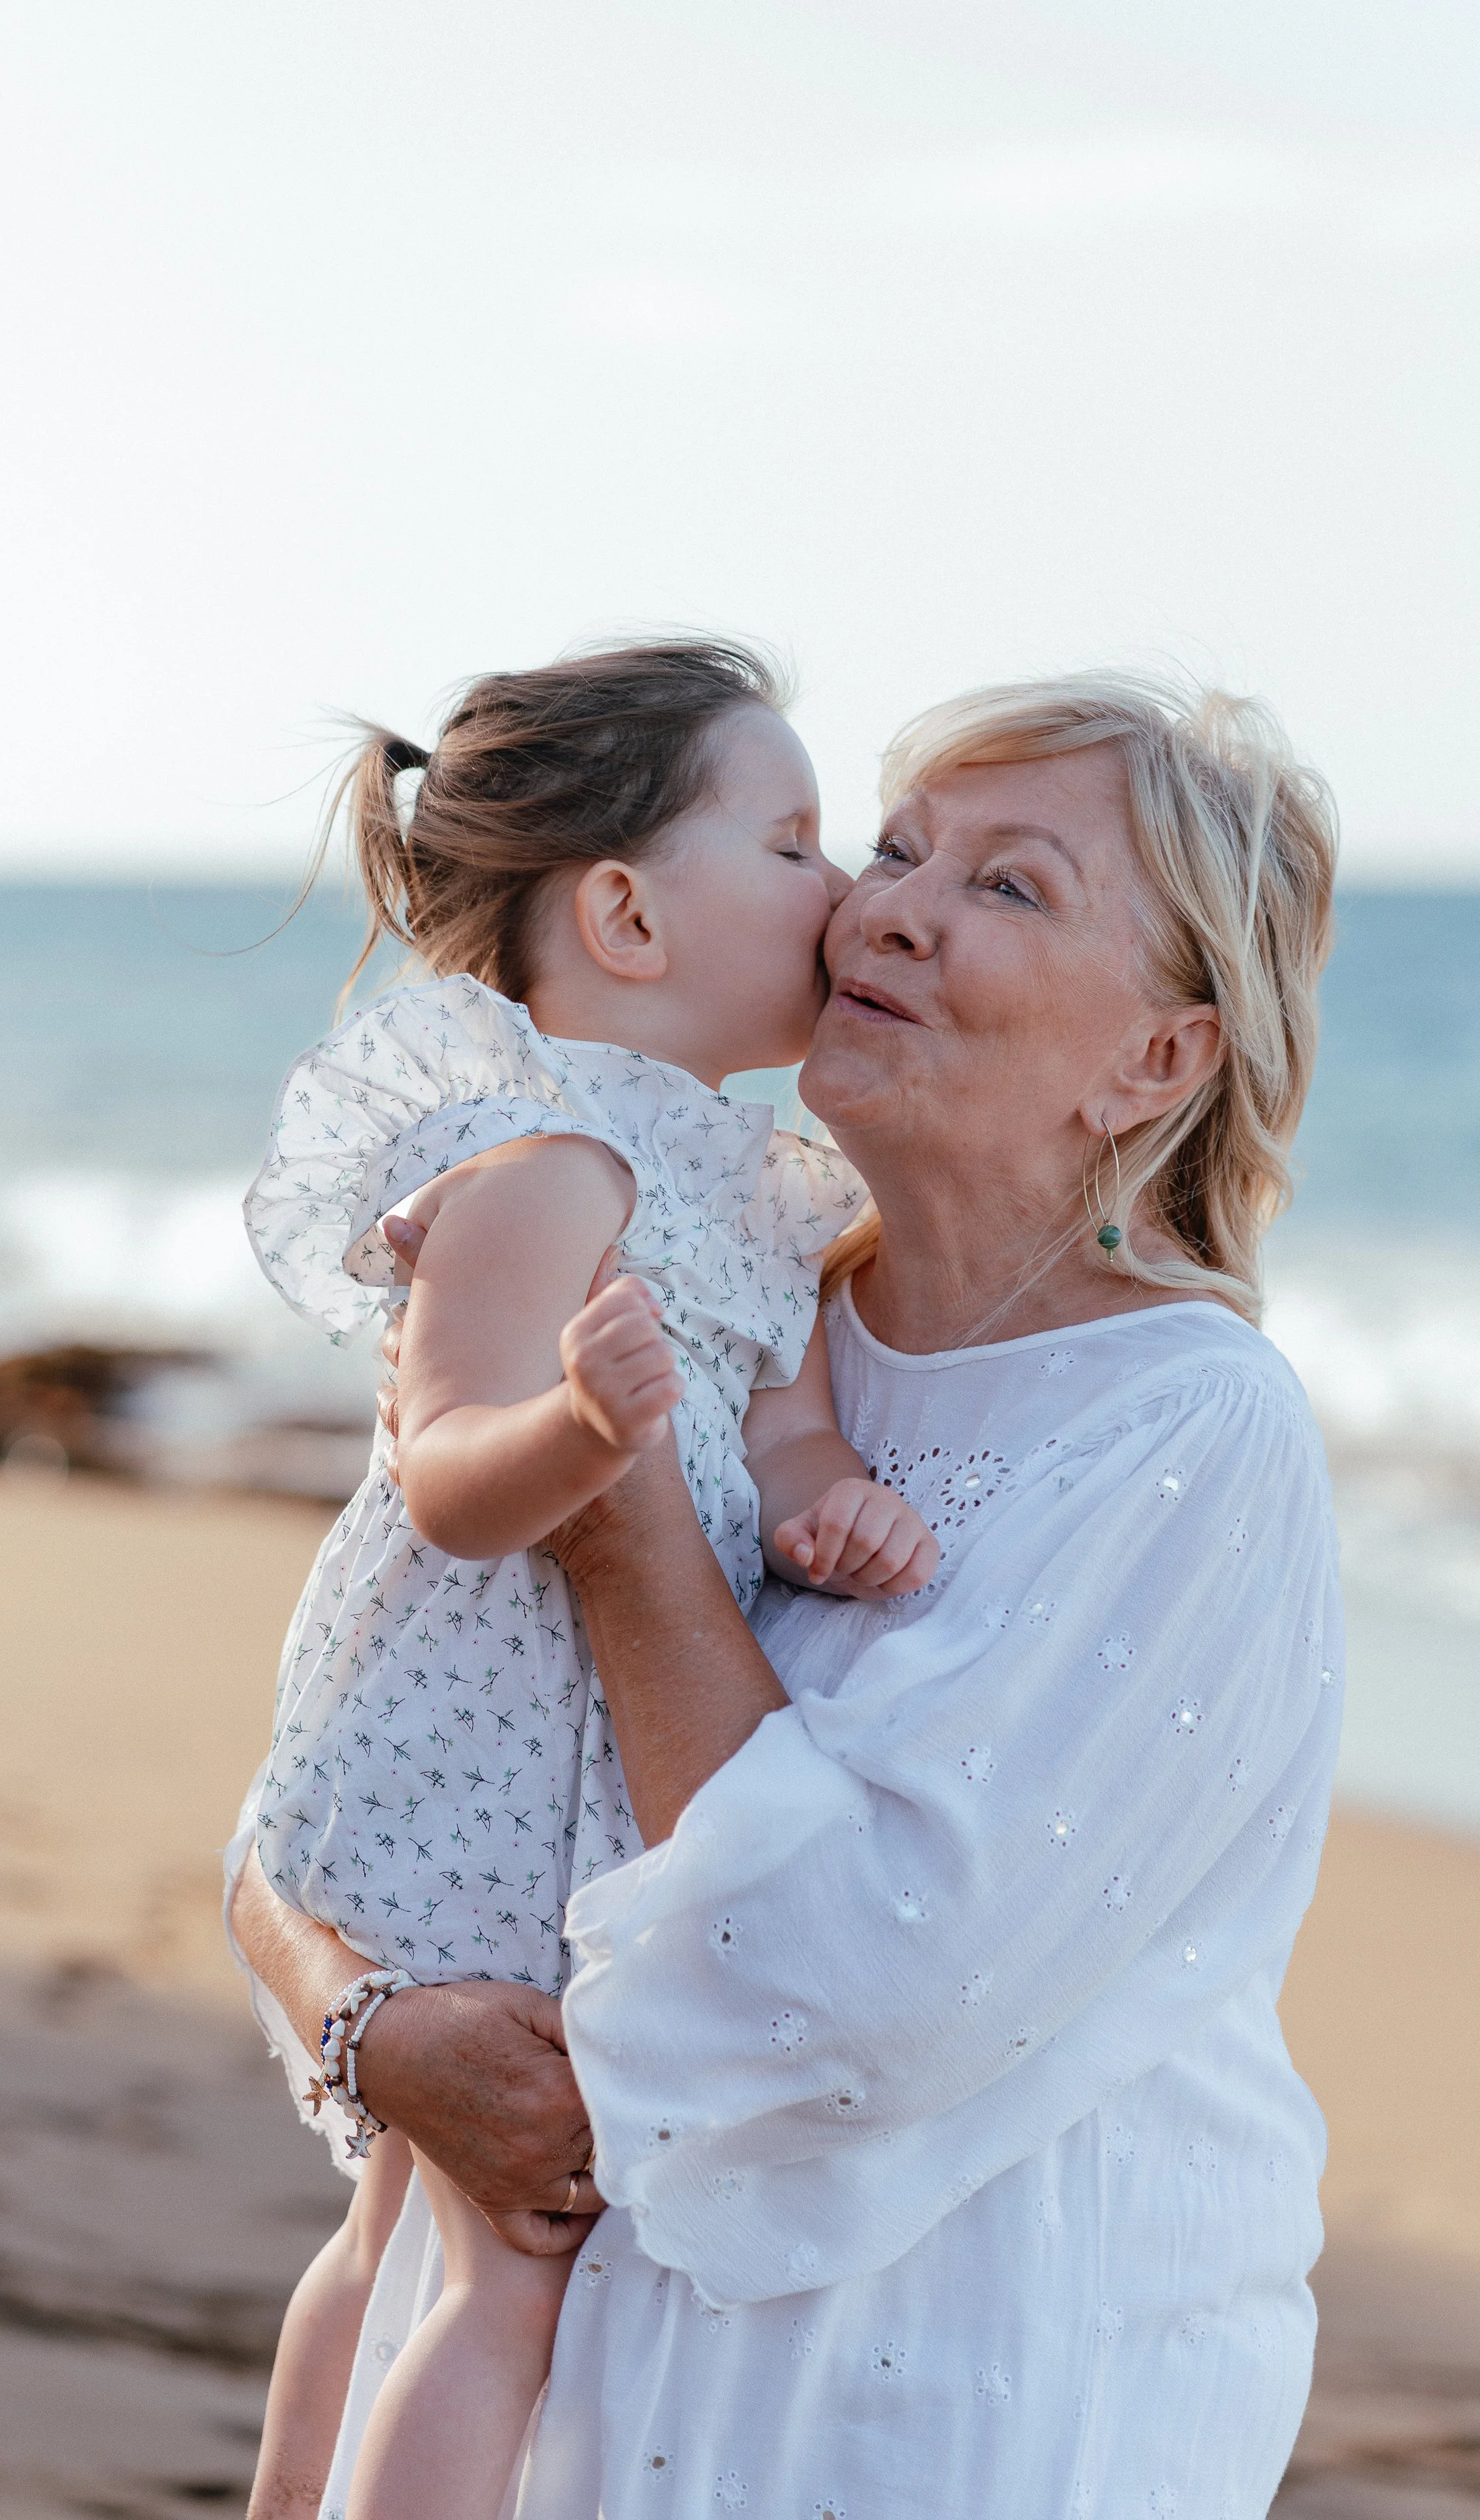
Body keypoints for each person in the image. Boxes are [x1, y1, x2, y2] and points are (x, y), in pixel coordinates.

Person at [232, 668, 1342, 2519]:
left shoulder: (1185, 1435)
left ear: (1156, 1060)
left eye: (1009, 886)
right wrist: (372, 2027)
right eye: (890, 848)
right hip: (537, 2412)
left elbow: (840, 1991)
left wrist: (618, 1505)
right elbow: (334, 1781)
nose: (887, 900)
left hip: (918, 2424)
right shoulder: (712, 1291)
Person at [236, 639, 936, 2520]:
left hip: (577, 1770)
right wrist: (574, 1435)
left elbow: (784, 1433)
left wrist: (830, 1509)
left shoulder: (749, 1189)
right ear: (623, 908)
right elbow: (445, 1469)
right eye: (792, 844)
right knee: (499, 2258)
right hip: (474, 1755)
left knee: (414, 2220)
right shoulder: (547, 1165)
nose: (848, 888)